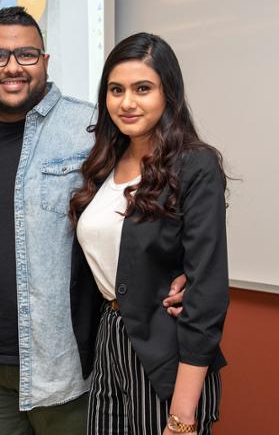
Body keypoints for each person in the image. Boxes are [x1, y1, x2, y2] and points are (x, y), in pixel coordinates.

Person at [0, 7, 187, 435]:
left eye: (25, 54)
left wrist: (185, 268)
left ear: (45, 60)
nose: (12, 68)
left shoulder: (92, 126)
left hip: (62, 366)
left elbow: (165, 181)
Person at [69, 32, 229, 435]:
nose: (127, 102)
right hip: (110, 339)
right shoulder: (103, 162)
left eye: (143, 88)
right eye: (116, 90)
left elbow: (206, 296)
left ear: (168, 94)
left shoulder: (195, 166)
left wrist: (182, 415)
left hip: (165, 350)